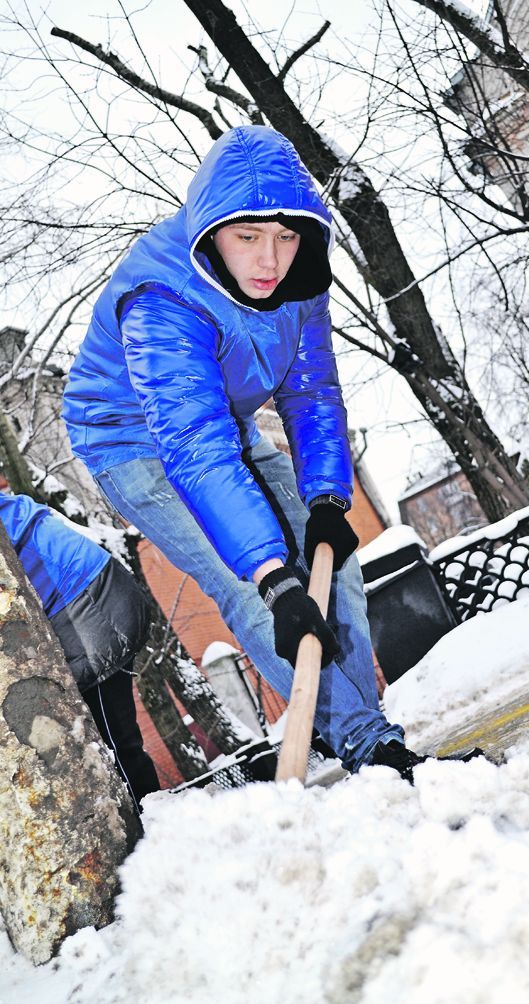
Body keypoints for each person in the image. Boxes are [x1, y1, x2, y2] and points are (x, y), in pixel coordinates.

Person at [62, 124, 428, 782]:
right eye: (247, 237)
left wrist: (322, 499)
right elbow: (195, 448)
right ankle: (367, 745)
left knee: (329, 552)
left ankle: (358, 730)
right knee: (250, 586)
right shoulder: (161, 298)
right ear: (210, 232)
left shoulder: (299, 275)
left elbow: (311, 391)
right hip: (134, 438)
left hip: (222, 418)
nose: (269, 260)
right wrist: (271, 573)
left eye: (285, 236)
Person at [0, 492, 160, 810]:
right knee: (113, 742)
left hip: (82, 600)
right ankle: (152, 820)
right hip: (85, 593)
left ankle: (154, 825)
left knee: (113, 743)